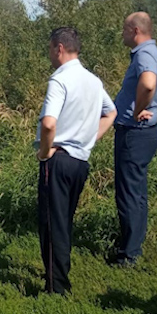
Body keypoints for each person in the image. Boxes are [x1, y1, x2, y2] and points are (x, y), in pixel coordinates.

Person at [36, 27, 117, 294]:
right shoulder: (93, 81)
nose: (50, 54)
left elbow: (49, 123)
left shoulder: (60, 80)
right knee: (64, 220)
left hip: (58, 160)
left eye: (50, 49)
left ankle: (56, 287)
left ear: (59, 48)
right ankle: (58, 275)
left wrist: (44, 152)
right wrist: (88, 139)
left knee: (52, 224)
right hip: (80, 161)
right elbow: (111, 112)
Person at [113, 12, 157, 267]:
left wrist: (137, 110)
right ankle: (133, 245)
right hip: (146, 132)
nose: (122, 33)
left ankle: (129, 254)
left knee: (128, 194)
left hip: (134, 133)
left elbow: (148, 84)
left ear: (135, 31)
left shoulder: (144, 55)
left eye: (124, 29)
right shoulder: (156, 54)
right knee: (137, 192)